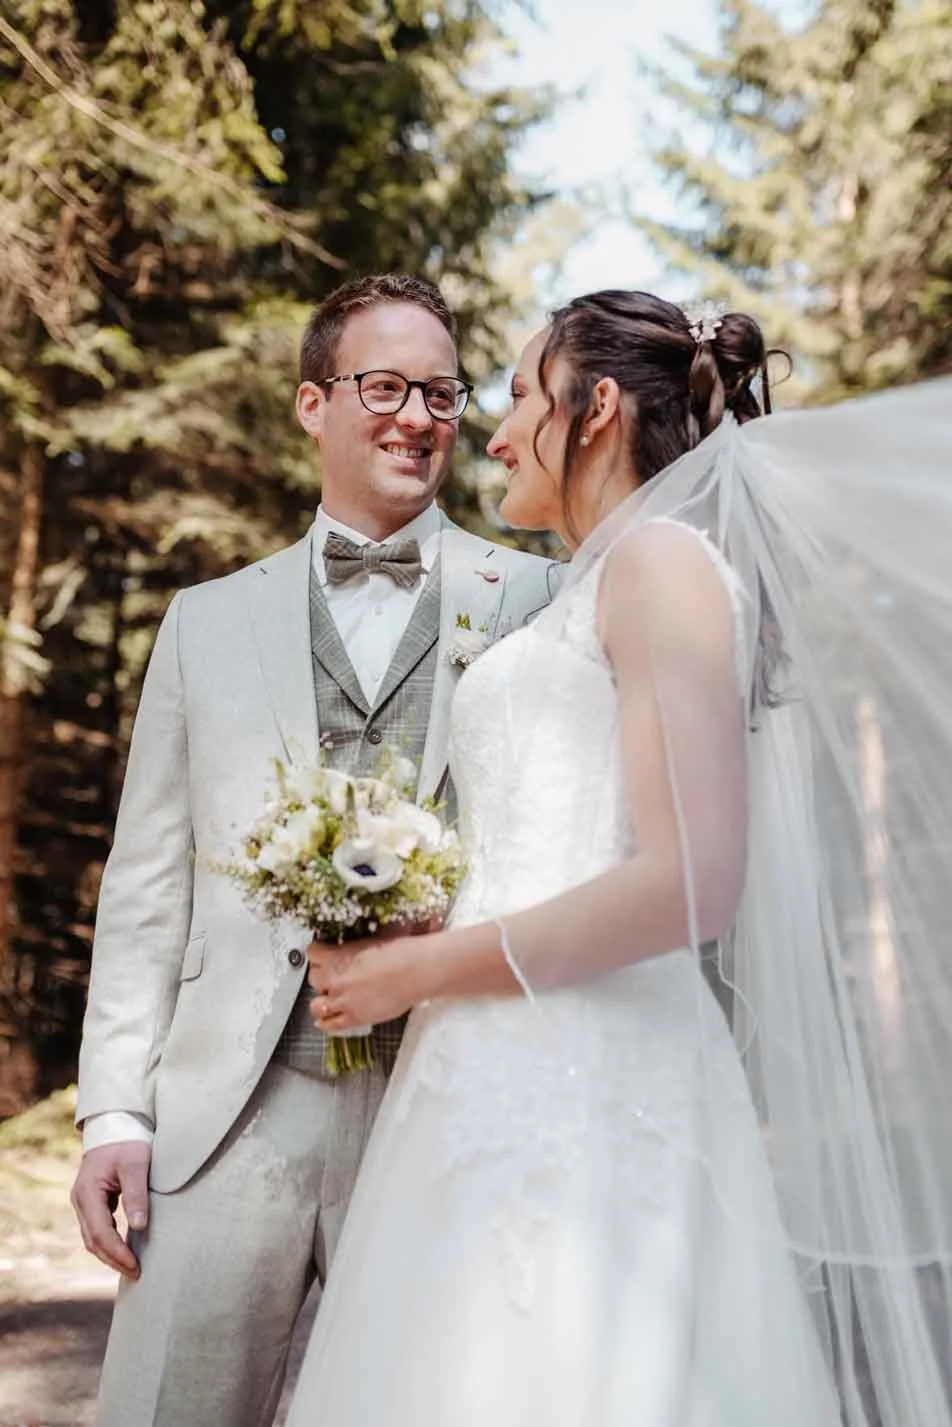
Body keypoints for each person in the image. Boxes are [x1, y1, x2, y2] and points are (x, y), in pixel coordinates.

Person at [288, 291, 952, 1427]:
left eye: (512, 396)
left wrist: (417, 971)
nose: (490, 435)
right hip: (484, 1078)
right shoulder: (598, 584)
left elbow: (689, 879)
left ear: (592, 406)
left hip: (594, 1092)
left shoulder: (661, 565)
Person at [71, 272, 559, 1427]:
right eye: (383, 385)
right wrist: (115, 1114)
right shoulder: (204, 619)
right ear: (311, 403)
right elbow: (149, 886)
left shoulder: (540, 594)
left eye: (439, 392)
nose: (416, 417)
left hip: (451, 1096)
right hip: (233, 1104)